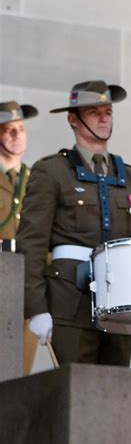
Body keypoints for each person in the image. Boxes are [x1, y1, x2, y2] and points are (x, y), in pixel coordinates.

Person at [16, 80, 131, 366]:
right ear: (73, 119)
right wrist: (36, 308)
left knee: (114, 395)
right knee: (75, 396)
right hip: (69, 303)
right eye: (94, 111)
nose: (104, 118)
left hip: (121, 304)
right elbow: (31, 243)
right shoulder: (52, 171)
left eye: (107, 111)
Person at [0, 101, 39, 374]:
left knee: (20, 370)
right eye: (8, 129)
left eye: (21, 129)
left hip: (26, 277)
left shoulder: (37, 179)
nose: (16, 136)